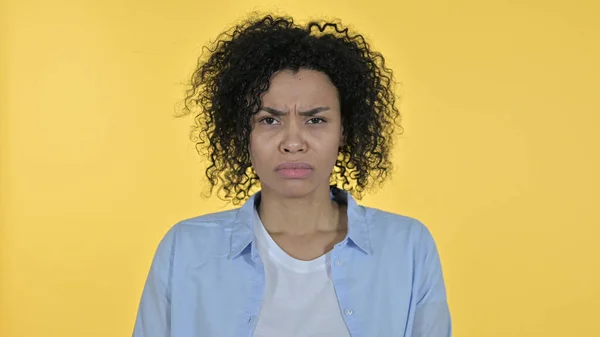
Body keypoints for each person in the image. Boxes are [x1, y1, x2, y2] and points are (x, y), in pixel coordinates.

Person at [133, 13, 451, 337]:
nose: (293, 142)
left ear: (344, 130)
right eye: (270, 120)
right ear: (244, 132)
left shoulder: (408, 247)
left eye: (316, 120)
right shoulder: (185, 250)